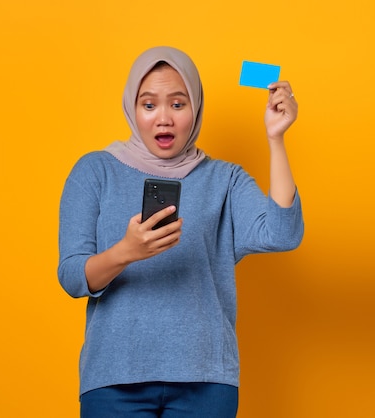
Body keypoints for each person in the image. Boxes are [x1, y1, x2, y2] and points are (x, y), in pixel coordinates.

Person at [58, 46, 304, 418]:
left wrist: (276, 139)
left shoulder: (224, 178)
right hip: (114, 379)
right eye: (149, 104)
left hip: (205, 380)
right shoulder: (95, 171)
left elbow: (283, 233)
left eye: (177, 104)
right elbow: (72, 277)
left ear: (196, 108)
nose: (163, 119)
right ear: (132, 108)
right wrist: (126, 251)